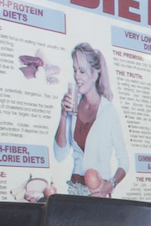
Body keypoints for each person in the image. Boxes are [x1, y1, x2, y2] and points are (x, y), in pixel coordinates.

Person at [53, 42, 130, 197]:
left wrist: (111, 184)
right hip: (74, 190)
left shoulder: (108, 111)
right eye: (75, 70)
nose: (76, 76)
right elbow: (60, 155)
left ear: (94, 75)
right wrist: (63, 115)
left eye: (81, 71)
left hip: (98, 193)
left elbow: (124, 162)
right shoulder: (73, 104)